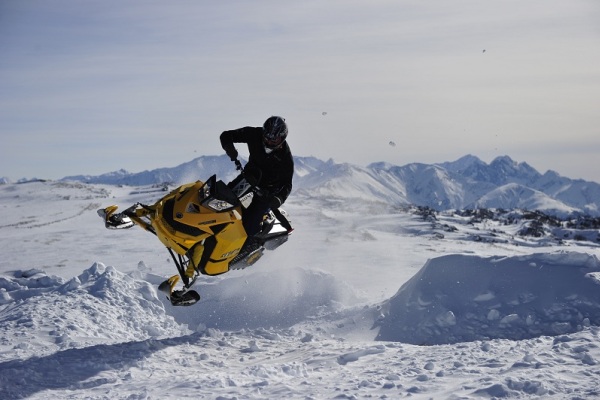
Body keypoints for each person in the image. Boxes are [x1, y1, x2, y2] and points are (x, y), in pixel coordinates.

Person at [220, 116, 294, 250]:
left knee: (251, 223)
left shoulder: (286, 158)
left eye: (274, 139)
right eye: (267, 137)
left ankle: (248, 248)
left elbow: (287, 184)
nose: (269, 141)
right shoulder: (253, 133)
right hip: (250, 178)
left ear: (282, 138)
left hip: (267, 192)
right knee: (223, 199)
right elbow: (226, 136)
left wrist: (278, 199)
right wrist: (230, 149)